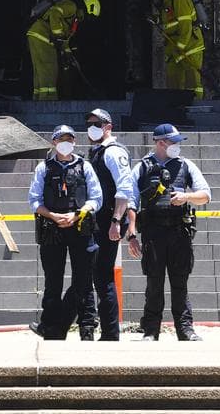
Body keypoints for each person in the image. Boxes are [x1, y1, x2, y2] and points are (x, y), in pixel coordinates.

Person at [130, 123, 211, 341]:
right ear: (160, 143)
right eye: (173, 142)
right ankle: (151, 330)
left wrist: (186, 197)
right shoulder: (143, 167)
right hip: (153, 232)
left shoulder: (186, 165)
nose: (177, 146)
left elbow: (205, 194)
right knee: (154, 282)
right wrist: (131, 235)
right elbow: (130, 201)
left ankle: (185, 329)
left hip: (179, 231)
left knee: (180, 282)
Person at [30, 125, 103, 340]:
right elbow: (34, 200)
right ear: (54, 142)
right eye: (61, 138)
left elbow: (96, 198)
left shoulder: (85, 166)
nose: (66, 142)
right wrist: (52, 215)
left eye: (69, 139)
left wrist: (78, 213)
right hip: (52, 229)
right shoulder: (43, 168)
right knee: (53, 281)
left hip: (80, 227)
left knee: (84, 280)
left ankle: (87, 327)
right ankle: (50, 326)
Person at [82, 108, 135, 340]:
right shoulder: (97, 151)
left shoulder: (113, 152)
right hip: (96, 220)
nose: (91, 127)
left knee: (102, 276)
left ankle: (110, 332)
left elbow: (124, 188)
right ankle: (98, 328)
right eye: (89, 123)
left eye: (96, 123)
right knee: (95, 275)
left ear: (108, 127)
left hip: (108, 221)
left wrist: (116, 220)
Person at [26, 0, 99, 101]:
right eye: (89, 16)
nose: (85, 19)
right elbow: (54, 12)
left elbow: (64, 40)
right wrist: (58, 34)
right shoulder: (71, 6)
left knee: (40, 71)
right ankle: (48, 102)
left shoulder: (74, 21)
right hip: (43, 37)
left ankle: (37, 100)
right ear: (89, 8)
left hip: (36, 35)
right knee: (50, 70)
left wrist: (68, 53)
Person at [146, 0, 205, 99]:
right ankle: (176, 106)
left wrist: (180, 47)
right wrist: (156, 19)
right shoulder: (166, 4)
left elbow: (185, 28)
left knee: (192, 82)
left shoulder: (180, 0)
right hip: (174, 49)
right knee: (174, 82)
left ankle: (195, 107)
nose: (154, 0)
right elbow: (169, 22)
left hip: (190, 48)